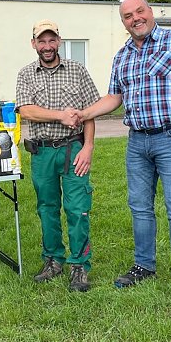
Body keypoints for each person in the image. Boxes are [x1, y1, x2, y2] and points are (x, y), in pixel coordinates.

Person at [77, 0, 171, 306]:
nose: (135, 18)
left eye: (140, 11)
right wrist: (84, 114)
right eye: (127, 15)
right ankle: (144, 266)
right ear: (123, 22)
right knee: (139, 208)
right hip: (137, 141)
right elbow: (114, 98)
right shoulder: (122, 55)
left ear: (150, 12)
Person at [16, 20, 101, 292]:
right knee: (47, 209)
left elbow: (90, 112)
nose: (47, 46)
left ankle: (79, 265)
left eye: (52, 40)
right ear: (34, 44)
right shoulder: (26, 74)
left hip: (73, 148)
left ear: (59, 42)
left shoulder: (77, 71)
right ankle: (53, 259)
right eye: (42, 41)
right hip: (42, 152)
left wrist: (88, 147)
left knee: (78, 209)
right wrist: (61, 115)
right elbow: (26, 110)